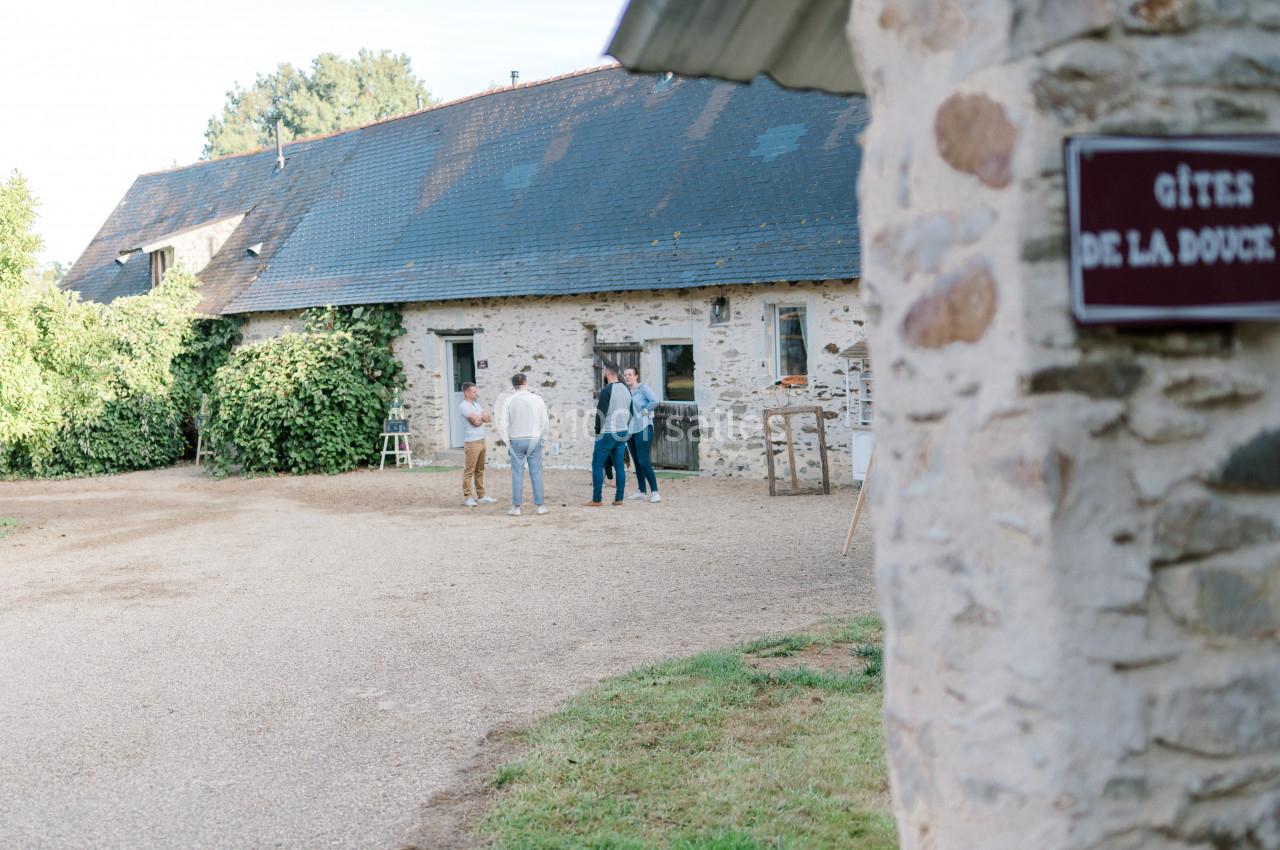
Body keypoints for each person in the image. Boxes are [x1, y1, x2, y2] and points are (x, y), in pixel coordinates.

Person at [496, 373, 550, 516]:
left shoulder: (509, 400)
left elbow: (502, 423)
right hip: (534, 439)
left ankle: (516, 507)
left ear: (513, 385)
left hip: (516, 440)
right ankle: (540, 506)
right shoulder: (537, 399)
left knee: (517, 474)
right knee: (536, 473)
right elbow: (544, 422)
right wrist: (543, 439)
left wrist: (507, 441)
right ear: (526, 382)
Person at [588, 362, 632, 506]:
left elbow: (600, 414)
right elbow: (631, 413)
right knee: (619, 465)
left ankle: (597, 499)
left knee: (597, 464)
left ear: (607, 373)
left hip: (607, 432)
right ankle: (619, 498)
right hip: (622, 431)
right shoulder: (626, 389)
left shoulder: (607, 390)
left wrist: (597, 431)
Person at [622, 366, 661, 503]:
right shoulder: (626, 391)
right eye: (625, 375)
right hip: (631, 430)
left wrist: (644, 413)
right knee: (637, 461)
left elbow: (655, 401)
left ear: (636, 376)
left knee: (643, 460)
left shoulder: (642, 388)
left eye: (630, 374)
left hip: (644, 428)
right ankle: (641, 490)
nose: (627, 377)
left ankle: (655, 492)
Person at [458, 382, 497, 507]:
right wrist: (481, 417)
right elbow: (475, 422)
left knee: (480, 470)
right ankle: (468, 497)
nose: (476, 393)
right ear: (466, 392)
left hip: (481, 440)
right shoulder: (464, 406)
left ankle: (481, 495)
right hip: (472, 442)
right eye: (474, 392)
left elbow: (488, 418)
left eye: (476, 391)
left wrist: (480, 417)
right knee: (469, 470)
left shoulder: (475, 404)